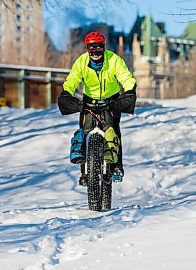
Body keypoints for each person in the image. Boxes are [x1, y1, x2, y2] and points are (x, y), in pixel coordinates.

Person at [57, 31, 137, 185]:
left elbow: (126, 78)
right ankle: (85, 173)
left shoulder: (114, 60)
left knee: (113, 130)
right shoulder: (81, 62)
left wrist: (129, 92)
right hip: (89, 101)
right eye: (91, 49)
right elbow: (71, 81)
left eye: (98, 48)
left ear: (103, 47)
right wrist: (67, 93)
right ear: (87, 49)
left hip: (111, 100)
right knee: (85, 130)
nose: (95, 53)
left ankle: (116, 167)